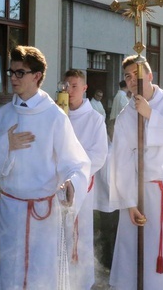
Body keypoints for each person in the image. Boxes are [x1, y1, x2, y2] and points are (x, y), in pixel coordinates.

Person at [0, 45, 91, 289]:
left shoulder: (54, 116)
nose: (13, 78)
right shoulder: (4, 114)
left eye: (20, 72)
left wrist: (72, 183)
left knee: (41, 273)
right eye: (11, 72)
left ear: (37, 76)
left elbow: (76, 162)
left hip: (43, 212)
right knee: (11, 271)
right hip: (11, 209)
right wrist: (5, 145)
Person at [108, 55, 163, 290]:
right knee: (136, 257)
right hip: (141, 194)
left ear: (151, 75)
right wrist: (129, 202)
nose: (133, 80)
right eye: (128, 77)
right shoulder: (125, 115)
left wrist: (150, 115)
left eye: (137, 75)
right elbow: (121, 161)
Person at [63, 69, 108, 289]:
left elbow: (98, 155)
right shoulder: (58, 114)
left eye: (74, 86)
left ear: (84, 88)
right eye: (66, 86)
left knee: (80, 238)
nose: (69, 90)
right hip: (56, 186)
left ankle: (81, 283)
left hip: (81, 186)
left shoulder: (95, 119)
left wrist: (75, 175)